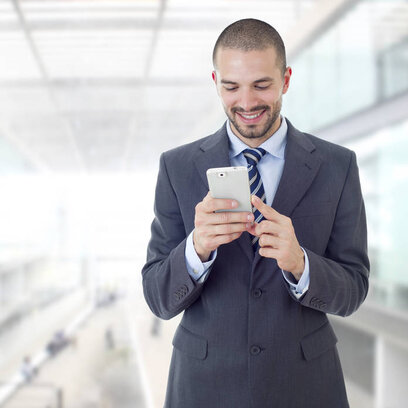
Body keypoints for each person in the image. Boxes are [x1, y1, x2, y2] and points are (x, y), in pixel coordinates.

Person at [141, 18, 369, 408]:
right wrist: (196, 249)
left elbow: (354, 289)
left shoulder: (337, 166)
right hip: (203, 388)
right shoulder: (177, 168)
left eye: (261, 85)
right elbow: (158, 298)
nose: (246, 103)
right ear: (215, 82)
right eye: (231, 87)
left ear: (286, 79)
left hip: (305, 386)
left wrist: (300, 263)